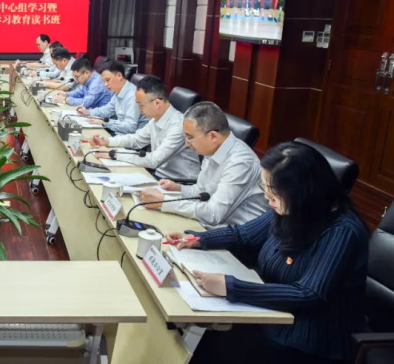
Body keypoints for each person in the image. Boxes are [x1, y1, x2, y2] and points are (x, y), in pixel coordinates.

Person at [166, 142, 368, 364]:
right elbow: (243, 235)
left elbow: (309, 294)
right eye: (266, 189)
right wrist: (198, 239)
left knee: (207, 343)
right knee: (189, 331)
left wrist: (231, 287)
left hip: (308, 339)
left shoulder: (342, 231)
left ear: (302, 193)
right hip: (270, 315)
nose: (267, 199)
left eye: (274, 193)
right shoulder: (292, 209)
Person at [138, 101, 267, 228]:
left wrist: (163, 201)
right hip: (208, 224)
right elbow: (201, 191)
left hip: (233, 235)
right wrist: (178, 188)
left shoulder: (240, 163)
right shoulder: (213, 149)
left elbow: (213, 214)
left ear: (213, 136)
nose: (187, 143)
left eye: (190, 137)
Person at [90, 75, 199, 181]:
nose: (139, 109)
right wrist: (107, 141)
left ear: (157, 102)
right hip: (159, 176)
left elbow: (153, 160)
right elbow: (136, 139)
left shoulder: (179, 125)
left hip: (179, 183)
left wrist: (113, 153)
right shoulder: (155, 119)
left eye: (141, 104)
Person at [78, 61, 148, 135]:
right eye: (104, 81)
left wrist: (105, 122)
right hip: (120, 133)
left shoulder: (133, 95)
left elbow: (130, 127)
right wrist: (88, 112)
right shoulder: (118, 92)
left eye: (107, 80)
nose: (105, 84)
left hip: (131, 138)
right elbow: (108, 110)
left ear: (119, 76)